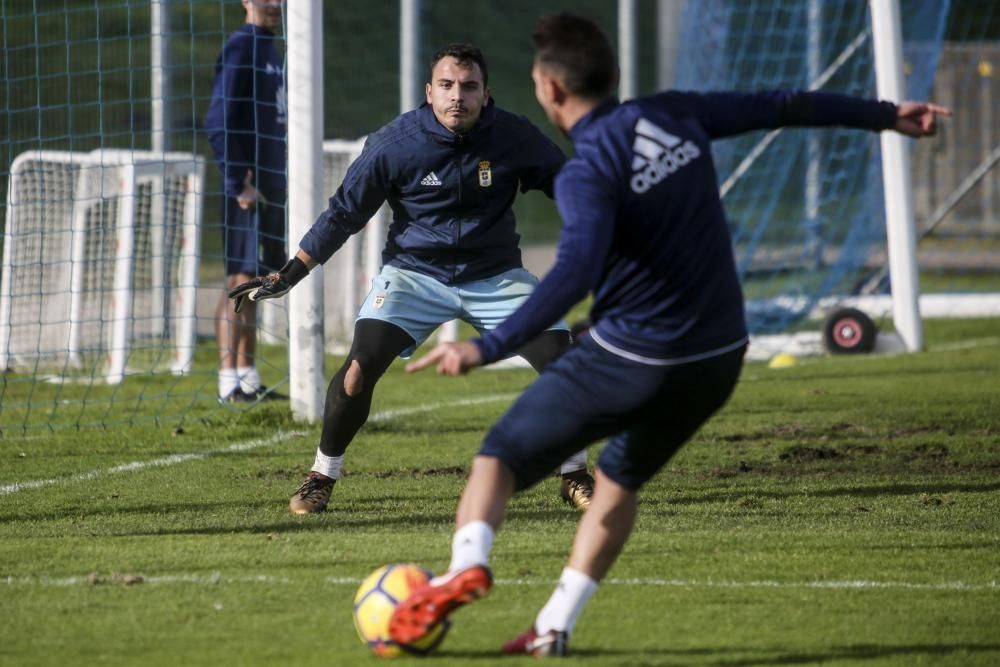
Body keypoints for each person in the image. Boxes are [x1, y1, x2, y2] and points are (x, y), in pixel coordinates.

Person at [386, 12, 952, 657]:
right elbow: (783, 103)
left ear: (547, 89)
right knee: (619, 482)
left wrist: (483, 346)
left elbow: (573, 273)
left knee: (498, 459)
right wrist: (886, 114)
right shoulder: (676, 113)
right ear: (615, 75)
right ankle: (553, 626)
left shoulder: (588, 169)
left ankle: (466, 567)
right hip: (716, 360)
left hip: (632, 355)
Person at [228, 43, 596, 514]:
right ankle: (321, 476)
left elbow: (569, 185)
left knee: (565, 363)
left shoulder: (513, 136)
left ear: (487, 93)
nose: (456, 96)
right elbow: (343, 215)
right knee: (359, 369)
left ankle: (575, 474)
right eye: (446, 86)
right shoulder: (395, 143)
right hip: (413, 275)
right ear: (429, 92)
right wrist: (291, 272)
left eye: (468, 86)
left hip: (496, 275)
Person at [205, 0, 287, 403]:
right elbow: (218, 121)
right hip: (248, 194)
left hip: (272, 190)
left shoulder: (271, 49)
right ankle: (227, 384)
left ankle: (249, 380)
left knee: (257, 283)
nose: (275, 4)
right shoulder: (241, 47)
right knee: (239, 280)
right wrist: (238, 182)